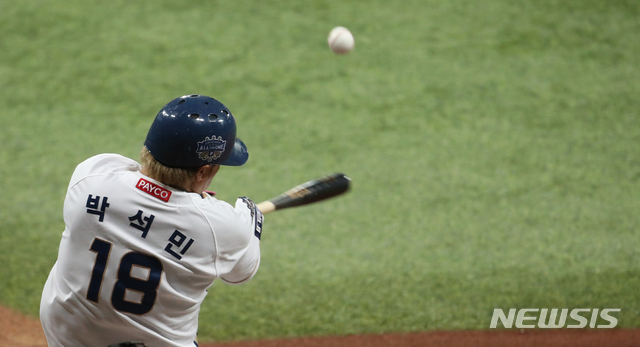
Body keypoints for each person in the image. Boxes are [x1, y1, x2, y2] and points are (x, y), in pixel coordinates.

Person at [40, 94, 263, 347]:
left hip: (68, 336)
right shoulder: (221, 227)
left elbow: (142, 190)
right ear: (203, 172)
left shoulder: (92, 175)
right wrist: (250, 218)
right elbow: (240, 274)